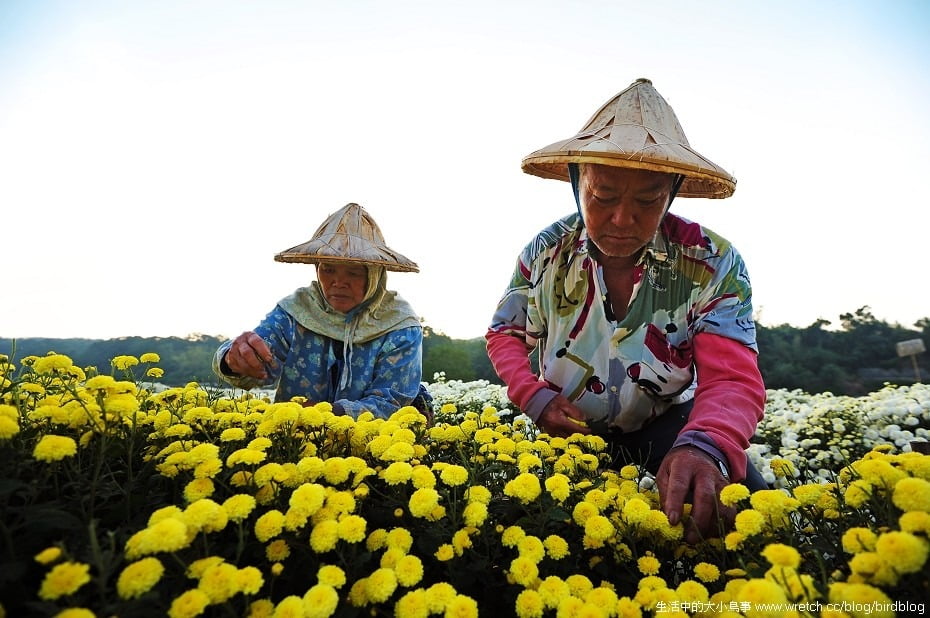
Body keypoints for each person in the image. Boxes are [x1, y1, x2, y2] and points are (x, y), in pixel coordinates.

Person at [486, 78, 767, 543]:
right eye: (604, 196)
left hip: (668, 426)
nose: (621, 219)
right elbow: (505, 333)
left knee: (743, 529)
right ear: (578, 183)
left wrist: (707, 445)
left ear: (672, 194)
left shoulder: (712, 262)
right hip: (566, 430)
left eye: (646, 200)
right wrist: (533, 397)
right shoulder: (544, 252)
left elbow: (733, 377)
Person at [214, 202, 431, 419]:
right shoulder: (296, 311)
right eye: (328, 269)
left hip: (373, 444)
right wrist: (234, 360)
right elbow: (258, 366)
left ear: (375, 275)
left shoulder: (399, 325)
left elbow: (390, 402)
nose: (338, 282)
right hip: (295, 439)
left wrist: (322, 413)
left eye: (353, 272)